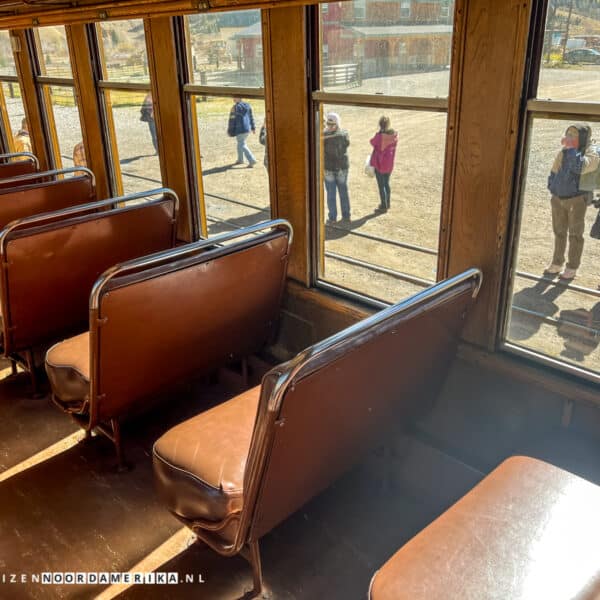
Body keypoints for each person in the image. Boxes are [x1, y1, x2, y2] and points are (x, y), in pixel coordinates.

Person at [546, 123, 599, 280]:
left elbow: (580, 167)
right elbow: (554, 170)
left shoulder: (592, 152)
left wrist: (571, 149)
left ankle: (572, 267)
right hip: (558, 197)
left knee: (575, 234)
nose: (569, 137)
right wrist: (552, 186)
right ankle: (557, 263)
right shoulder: (564, 151)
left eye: (574, 134)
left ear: (583, 136)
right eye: (568, 133)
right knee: (559, 231)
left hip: (577, 199)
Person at [323, 112, 350, 224]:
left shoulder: (325, 136)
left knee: (336, 193)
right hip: (339, 168)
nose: (329, 126)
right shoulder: (344, 134)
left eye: (332, 124)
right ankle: (339, 217)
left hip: (331, 168)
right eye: (328, 124)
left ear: (336, 124)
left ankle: (342, 216)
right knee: (334, 194)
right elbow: (347, 143)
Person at [369, 115, 398, 213]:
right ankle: (387, 203)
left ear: (380, 124)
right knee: (386, 184)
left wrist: (379, 133)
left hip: (379, 164)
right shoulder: (394, 135)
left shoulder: (379, 136)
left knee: (381, 186)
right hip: (389, 164)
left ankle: (383, 206)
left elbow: (372, 142)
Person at [227, 97, 256, 167]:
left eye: (235, 97)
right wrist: (253, 127)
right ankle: (240, 159)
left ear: (239, 98)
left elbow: (232, 120)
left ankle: (252, 160)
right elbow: (251, 117)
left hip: (240, 129)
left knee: (241, 144)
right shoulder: (248, 105)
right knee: (240, 143)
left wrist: (230, 130)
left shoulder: (235, 108)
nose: (233, 98)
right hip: (247, 129)